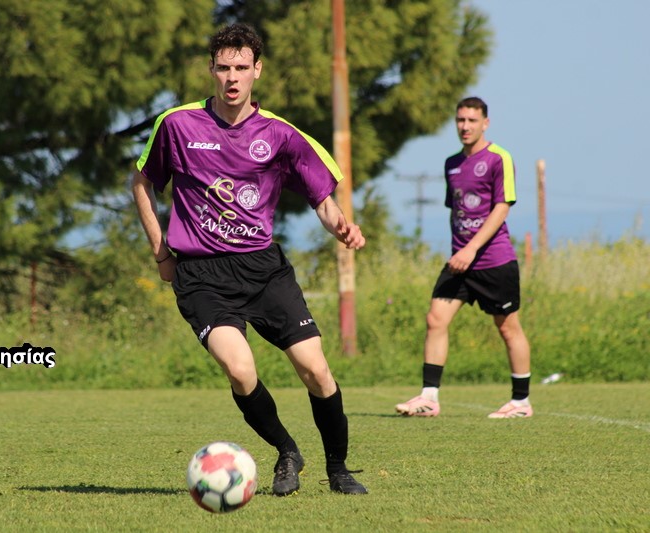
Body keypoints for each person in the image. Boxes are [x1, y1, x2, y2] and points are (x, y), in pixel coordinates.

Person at [132, 23, 368, 495]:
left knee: (315, 369)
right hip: (201, 274)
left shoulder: (281, 134)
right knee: (240, 370)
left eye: (241, 67)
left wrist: (341, 225)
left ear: (257, 70)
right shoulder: (177, 124)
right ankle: (287, 451)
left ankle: (339, 469)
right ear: (211, 70)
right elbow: (142, 182)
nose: (232, 77)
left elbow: (322, 199)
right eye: (224, 68)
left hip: (262, 269)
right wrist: (161, 251)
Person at [395, 96, 533, 419]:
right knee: (436, 319)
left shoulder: (499, 158)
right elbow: (457, 210)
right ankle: (429, 398)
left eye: (472, 120)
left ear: (485, 123)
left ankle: (521, 402)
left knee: (508, 327)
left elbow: (502, 208)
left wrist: (471, 249)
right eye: (460, 120)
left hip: (494, 261)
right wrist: (460, 250)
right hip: (459, 263)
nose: (465, 126)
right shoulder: (451, 164)